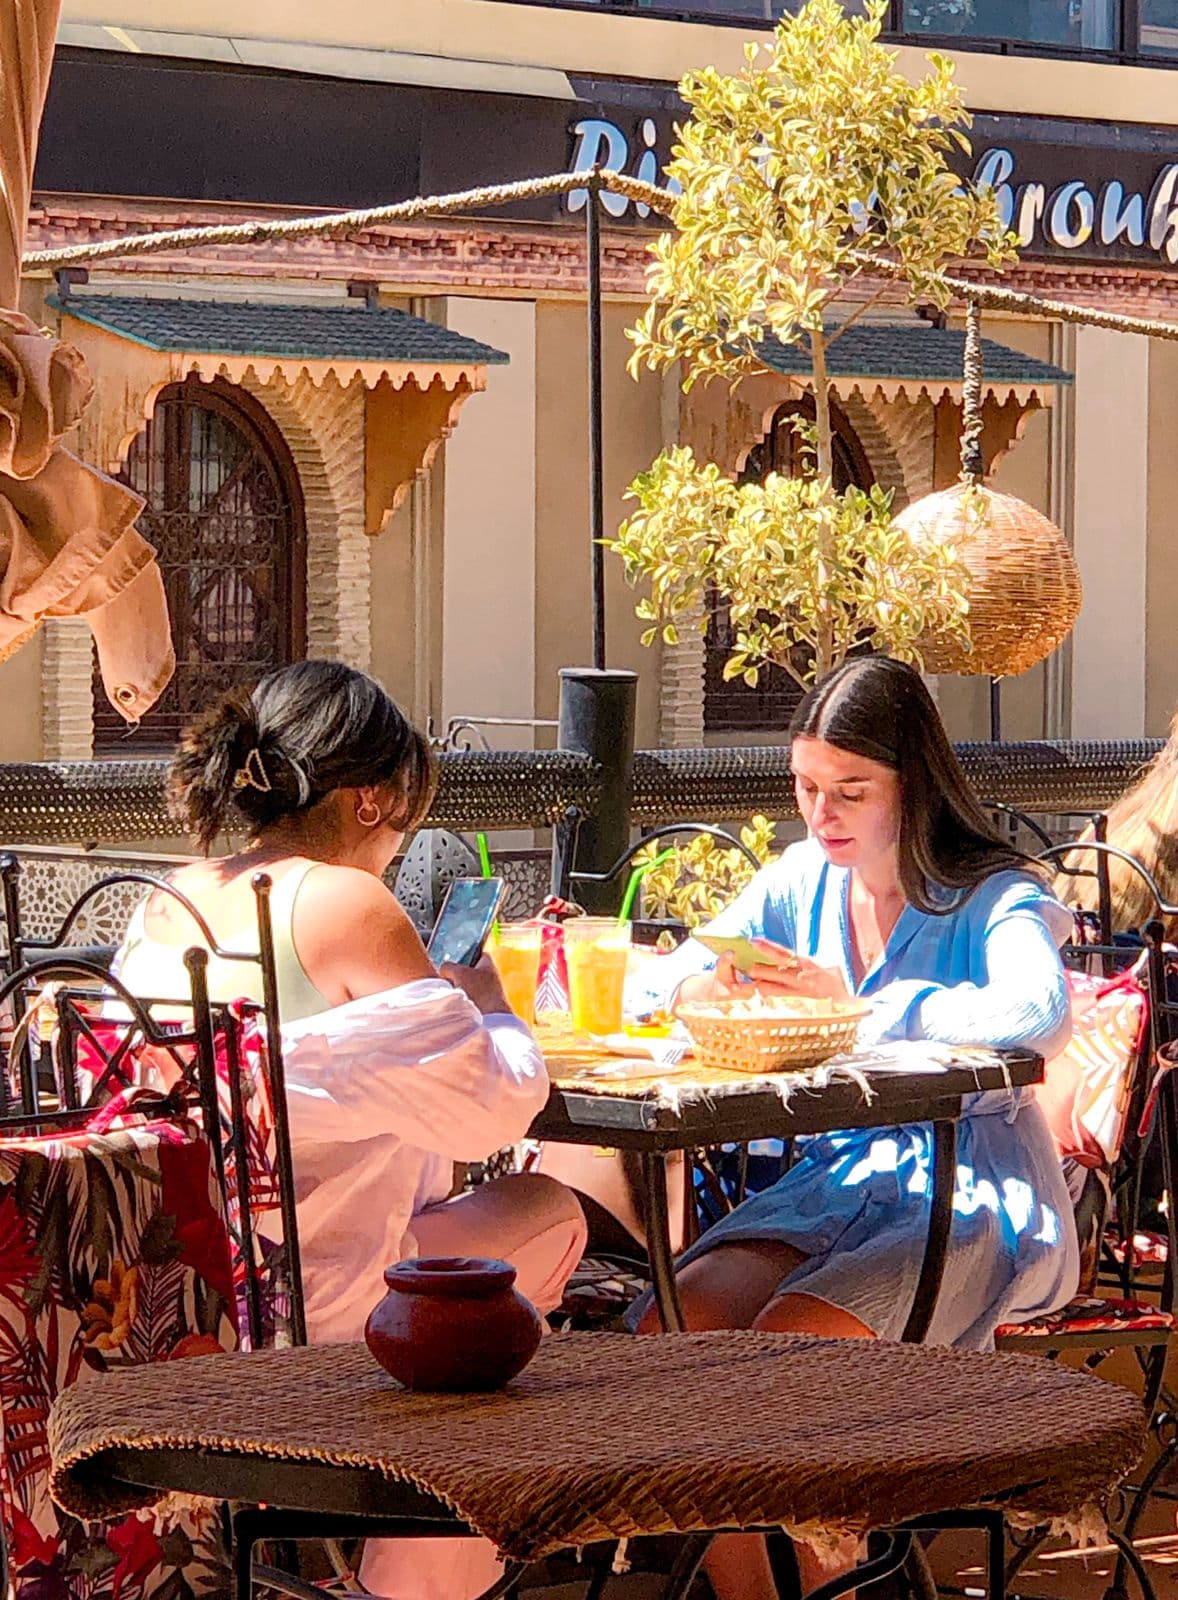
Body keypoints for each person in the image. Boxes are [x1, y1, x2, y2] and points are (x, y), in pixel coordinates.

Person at [113, 659, 586, 1600]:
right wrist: (491, 1009)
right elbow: (489, 1104)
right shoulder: (344, 900)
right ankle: (408, 1577)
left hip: (174, 1285)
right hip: (306, 1297)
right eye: (406, 818)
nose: (402, 846)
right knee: (545, 1220)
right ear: (372, 802)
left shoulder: (173, 894)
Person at [628, 656, 1080, 1600]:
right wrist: (708, 983)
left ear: (911, 786)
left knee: (784, 1356)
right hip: (829, 1183)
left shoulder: (990, 893)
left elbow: (1036, 1013)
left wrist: (866, 1011)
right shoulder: (801, 881)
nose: (821, 814)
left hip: (970, 1191)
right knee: (665, 1343)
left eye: (849, 791)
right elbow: (658, 982)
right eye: (805, 788)